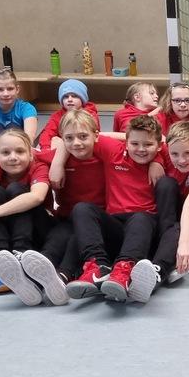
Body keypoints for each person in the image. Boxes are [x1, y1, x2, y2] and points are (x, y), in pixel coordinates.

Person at [0, 109, 107, 306]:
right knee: (60, 236)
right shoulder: (53, 156)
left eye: (83, 136)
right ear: (62, 139)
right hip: (66, 219)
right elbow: (29, 156)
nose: (76, 143)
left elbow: (135, 141)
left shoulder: (105, 152)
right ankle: (35, 280)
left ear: (96, 136)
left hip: (97, 221)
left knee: (77, 235)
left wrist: (155, 165)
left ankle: (61, 277)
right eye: (69, 138)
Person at [65, 115, 168, 302]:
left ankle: (124, 272)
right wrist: (57, 163)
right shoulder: (114, 151)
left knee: (140, 218)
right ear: (126, 142)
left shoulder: (165, 154)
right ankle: (98, 267)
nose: (141, 149)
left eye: (148, 145)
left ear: (159, 145)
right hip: (115, 224)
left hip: (144, 229)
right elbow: (83, 137)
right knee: (82, 209)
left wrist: (159, 159)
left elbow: (188, 146)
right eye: (135, 143)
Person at [132, 121, 189, 302]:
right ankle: (155, 257)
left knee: (178, 230)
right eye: (174, 154)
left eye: (188, 153)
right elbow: (128, 137)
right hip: (169, 222)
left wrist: (184, 245)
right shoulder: (166, 151)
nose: (181, 160)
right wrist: (156, 160)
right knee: (166, 184)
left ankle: (157, 271)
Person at [0, 128, 53, 297]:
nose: (13, 157)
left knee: (17, 189)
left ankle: (21, 256)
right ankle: (2, 261)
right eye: (6, 152)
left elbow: (37, 197)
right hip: (10, 230)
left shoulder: (39, 167)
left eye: (20, 151)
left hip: (38, 230)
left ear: (31, 154)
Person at [36, 79, 100, 150]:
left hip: (84, 147)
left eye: (74, 96)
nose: (69, 99)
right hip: (64, 147)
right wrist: (46, 148)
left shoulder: (89, 115)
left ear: (82, 99)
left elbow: (92, 137)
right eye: (66, 97)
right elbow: (47, 134)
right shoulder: (56, 116)